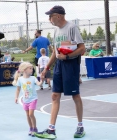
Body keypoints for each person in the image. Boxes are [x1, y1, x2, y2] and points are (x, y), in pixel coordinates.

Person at [34, 6, 86, 139]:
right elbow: (55, 52)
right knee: (55, 96)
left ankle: (80, 126)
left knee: (75, 96)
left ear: (58, 16)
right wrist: (46, 69)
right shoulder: (56, 30)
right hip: (59, 65)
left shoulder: (72, 27)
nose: (49, 19)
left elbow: (82, 48)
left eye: (50, 16)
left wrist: (67, 57)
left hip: (70, 65)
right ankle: (51, 130)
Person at [12, 62, 44, 137]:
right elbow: (18, 89)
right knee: (27, 115)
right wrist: (16, 97)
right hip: (25, 100)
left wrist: (42, 80)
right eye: (30, 68)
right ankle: (31, 128)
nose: (32, 70)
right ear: (24, 70)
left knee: (31, 114)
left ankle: (35, 128)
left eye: (32, 68)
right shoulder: (20, 79)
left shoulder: (33, 78)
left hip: (33, 99)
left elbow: (39, 84)